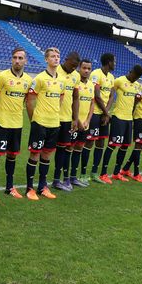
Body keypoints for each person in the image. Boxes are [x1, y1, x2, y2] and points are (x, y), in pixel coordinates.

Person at [0, 47, 32, 203]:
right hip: (2, 122)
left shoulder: (28, 80)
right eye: (15, 58)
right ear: (11, 59)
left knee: (12, 155)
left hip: (17, 123)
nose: (17, 61)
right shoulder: (3, 76)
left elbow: (26, 100)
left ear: (26, 60)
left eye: (20, 58)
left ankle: (10, 187)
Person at [25, 47, 63, 200]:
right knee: (35, 153)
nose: (56, 58)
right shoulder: (39, 79)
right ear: (46, 59)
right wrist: (34, 119)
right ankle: (29, 188)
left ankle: (42, 187)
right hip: (39, 122)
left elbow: (60, 98)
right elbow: (30, 101)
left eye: (58, 56)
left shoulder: (62, 80)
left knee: (47, 154)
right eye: (52, 56)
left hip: (54, 123)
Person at [98, 64, 142, 184]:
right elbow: (110, 94)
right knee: (112, 145)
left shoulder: (137, 85)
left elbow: (135, 102)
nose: (135, 78)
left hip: (129, 119)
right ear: (130, 71)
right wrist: (106, 112)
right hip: (118, 117)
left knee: (124, 146)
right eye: (134, 75)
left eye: (137, 77)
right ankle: (103, 173)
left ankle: (117, 173)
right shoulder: (119, 81)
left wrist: (136, 104)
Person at [52, 51, 80, 191]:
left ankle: (58, 180)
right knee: (44, 150)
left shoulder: (76, 76)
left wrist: (75, 118)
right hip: (51, 118)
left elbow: (75, 97)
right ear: (66, 60)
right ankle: (43, 181)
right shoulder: (55, 71)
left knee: (62, 149)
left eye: (76, 67)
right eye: (72, 65)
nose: (73, 68)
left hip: (66, 119)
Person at [87, 53, 115, 183]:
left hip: (104, 114)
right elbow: (97, 96)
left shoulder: (111, 77)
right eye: (113, 61)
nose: (115, 63)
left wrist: (106, 113)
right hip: (94, 113)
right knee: (89, 142)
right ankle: (82, 172)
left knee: (101, 143)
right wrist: (106, 113)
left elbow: (111, 96)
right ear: (109, 62)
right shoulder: (96, 74)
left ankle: (94, 173)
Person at [68, 59, 94, 187]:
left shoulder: (91, 85)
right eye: (84, 68)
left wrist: (87, 121)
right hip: (75, 123)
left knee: (79, 148)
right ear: (79, 68)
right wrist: (78, 121)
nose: (86, 71)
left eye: (89, 68)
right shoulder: (75, 83)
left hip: (85, 124)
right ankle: (65, 177)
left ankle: (73, 177)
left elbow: (92, 104)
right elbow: (72, 102)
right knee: (69, 148)